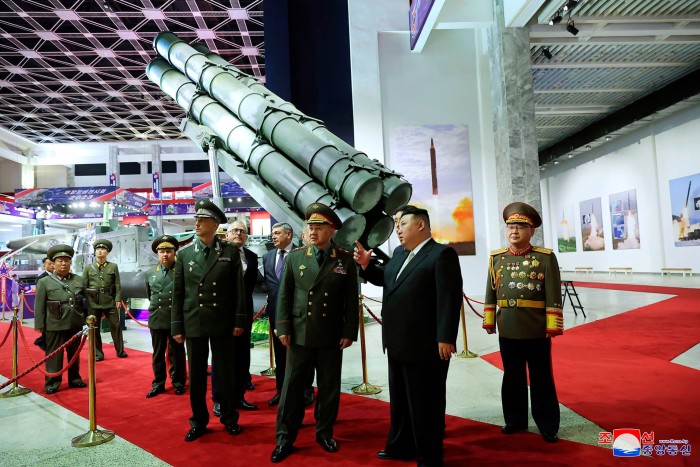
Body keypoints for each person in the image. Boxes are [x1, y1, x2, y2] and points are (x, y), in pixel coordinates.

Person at [354, 205, 463, 466]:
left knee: (426, 403)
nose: (398, 230)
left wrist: (445, 337)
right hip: (397, 342)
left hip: (426, 345)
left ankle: (429, 455)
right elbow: (389, 279)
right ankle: (400, 446)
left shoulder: (441, 255)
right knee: (401, 401)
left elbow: (450, 298)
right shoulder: (401, 253)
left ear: (421, 225)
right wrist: (367, 266)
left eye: (402, 224)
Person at [270, 203, 359, 463]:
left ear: (331, 230)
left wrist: (349, 330)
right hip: (299, 334)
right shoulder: (295, 257)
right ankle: (285, 437)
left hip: (331, 334)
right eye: (310, 226)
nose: (313, 231)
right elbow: (284, 295)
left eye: (319, 227)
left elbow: (350, 300)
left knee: (329, 387)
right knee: (292, 388)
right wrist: (283, 326)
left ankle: (324, 432)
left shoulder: (343, 259)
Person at [482, 202, 563, 444]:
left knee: (541, 378)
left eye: (520, 226)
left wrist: (553, 325)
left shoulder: (544, 258)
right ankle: (515, 420)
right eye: (510, 227)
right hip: (508, 328)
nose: (514, 231)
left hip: (536, 329)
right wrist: (489, 320)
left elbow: (553, 293)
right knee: (512, 377)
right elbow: (490, 292)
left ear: (531, 231)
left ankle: (547, 424)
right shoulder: (496, 258)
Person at [172, 199, 247, 442]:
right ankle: (199, 421)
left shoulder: (229, 252)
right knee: (196, 375)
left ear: (214, 225)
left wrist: (238, 320)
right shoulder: (183, 254)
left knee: (224, 373)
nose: (196, 223)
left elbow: (238, 291)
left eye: (202, 220)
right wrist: (177, 326)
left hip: (222, 321)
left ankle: (229, 417)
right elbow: (178, 293)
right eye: (197, 220)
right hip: (194, 321)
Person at [262, 222, 315, 407]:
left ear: (289, 235)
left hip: (298, 313)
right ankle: (281, 391)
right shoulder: (267, 257)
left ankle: (306, 391)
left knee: (302, 354)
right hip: (276, 313)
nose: (273, 236)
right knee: (280, 355)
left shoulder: (302, 254)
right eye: (272, 233)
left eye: (277, 233)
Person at [211, 220, 258, 415]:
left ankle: (239, 396)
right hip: (223, 314)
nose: (239, 234)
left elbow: (250, 286)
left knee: (241, 356)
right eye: (235, 231)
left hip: (244, 313)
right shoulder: (218, 254)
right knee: (221, 358)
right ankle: (220, 399)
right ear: (227, 234)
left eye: (243, 231)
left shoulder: (252, 257)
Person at [33, 245, 87, 394]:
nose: (63, 263)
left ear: (70, 263)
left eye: (66, 261)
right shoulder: (44, 282)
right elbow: (39, 305)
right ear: (53, 263)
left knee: (74, 355)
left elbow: (85, 301)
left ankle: (75, 379)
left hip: (75, 322)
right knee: (54, 355)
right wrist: (39, 324)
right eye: (60, 261)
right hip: (54, 323)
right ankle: (52, 383)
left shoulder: (78, 280)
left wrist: (88, 320)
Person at [145, 235, 186, 398]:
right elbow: (150, 296)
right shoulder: (149, 274)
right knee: (157, 353)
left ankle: (178, 382)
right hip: (157, 317)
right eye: (161, 251)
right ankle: (158, 383)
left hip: (175, 318)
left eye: (168, 251)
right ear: (157, 254)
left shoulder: (181, 271)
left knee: (177, 352)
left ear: (174, 252)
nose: (165, 254)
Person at [83, 239, 127, 361]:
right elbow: (84, 285)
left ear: (107, 252)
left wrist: (118, 298)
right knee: (94, 329)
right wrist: (86, 302)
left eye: (102, 249)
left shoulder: (113, 266)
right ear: (95, 252)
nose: (100, 251)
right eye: (97, 249)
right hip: (93, 302)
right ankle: (98, 354)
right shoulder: (88, 268)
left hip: (109, 300)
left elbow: (117, 284)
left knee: (116, 325)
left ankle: (120, 351)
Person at [34, 257, 54, 350]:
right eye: (49, 264)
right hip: (47, 308)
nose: (51, 265)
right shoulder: (41, 278)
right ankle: (44, 343)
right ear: (44, 266)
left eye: (52, 263)